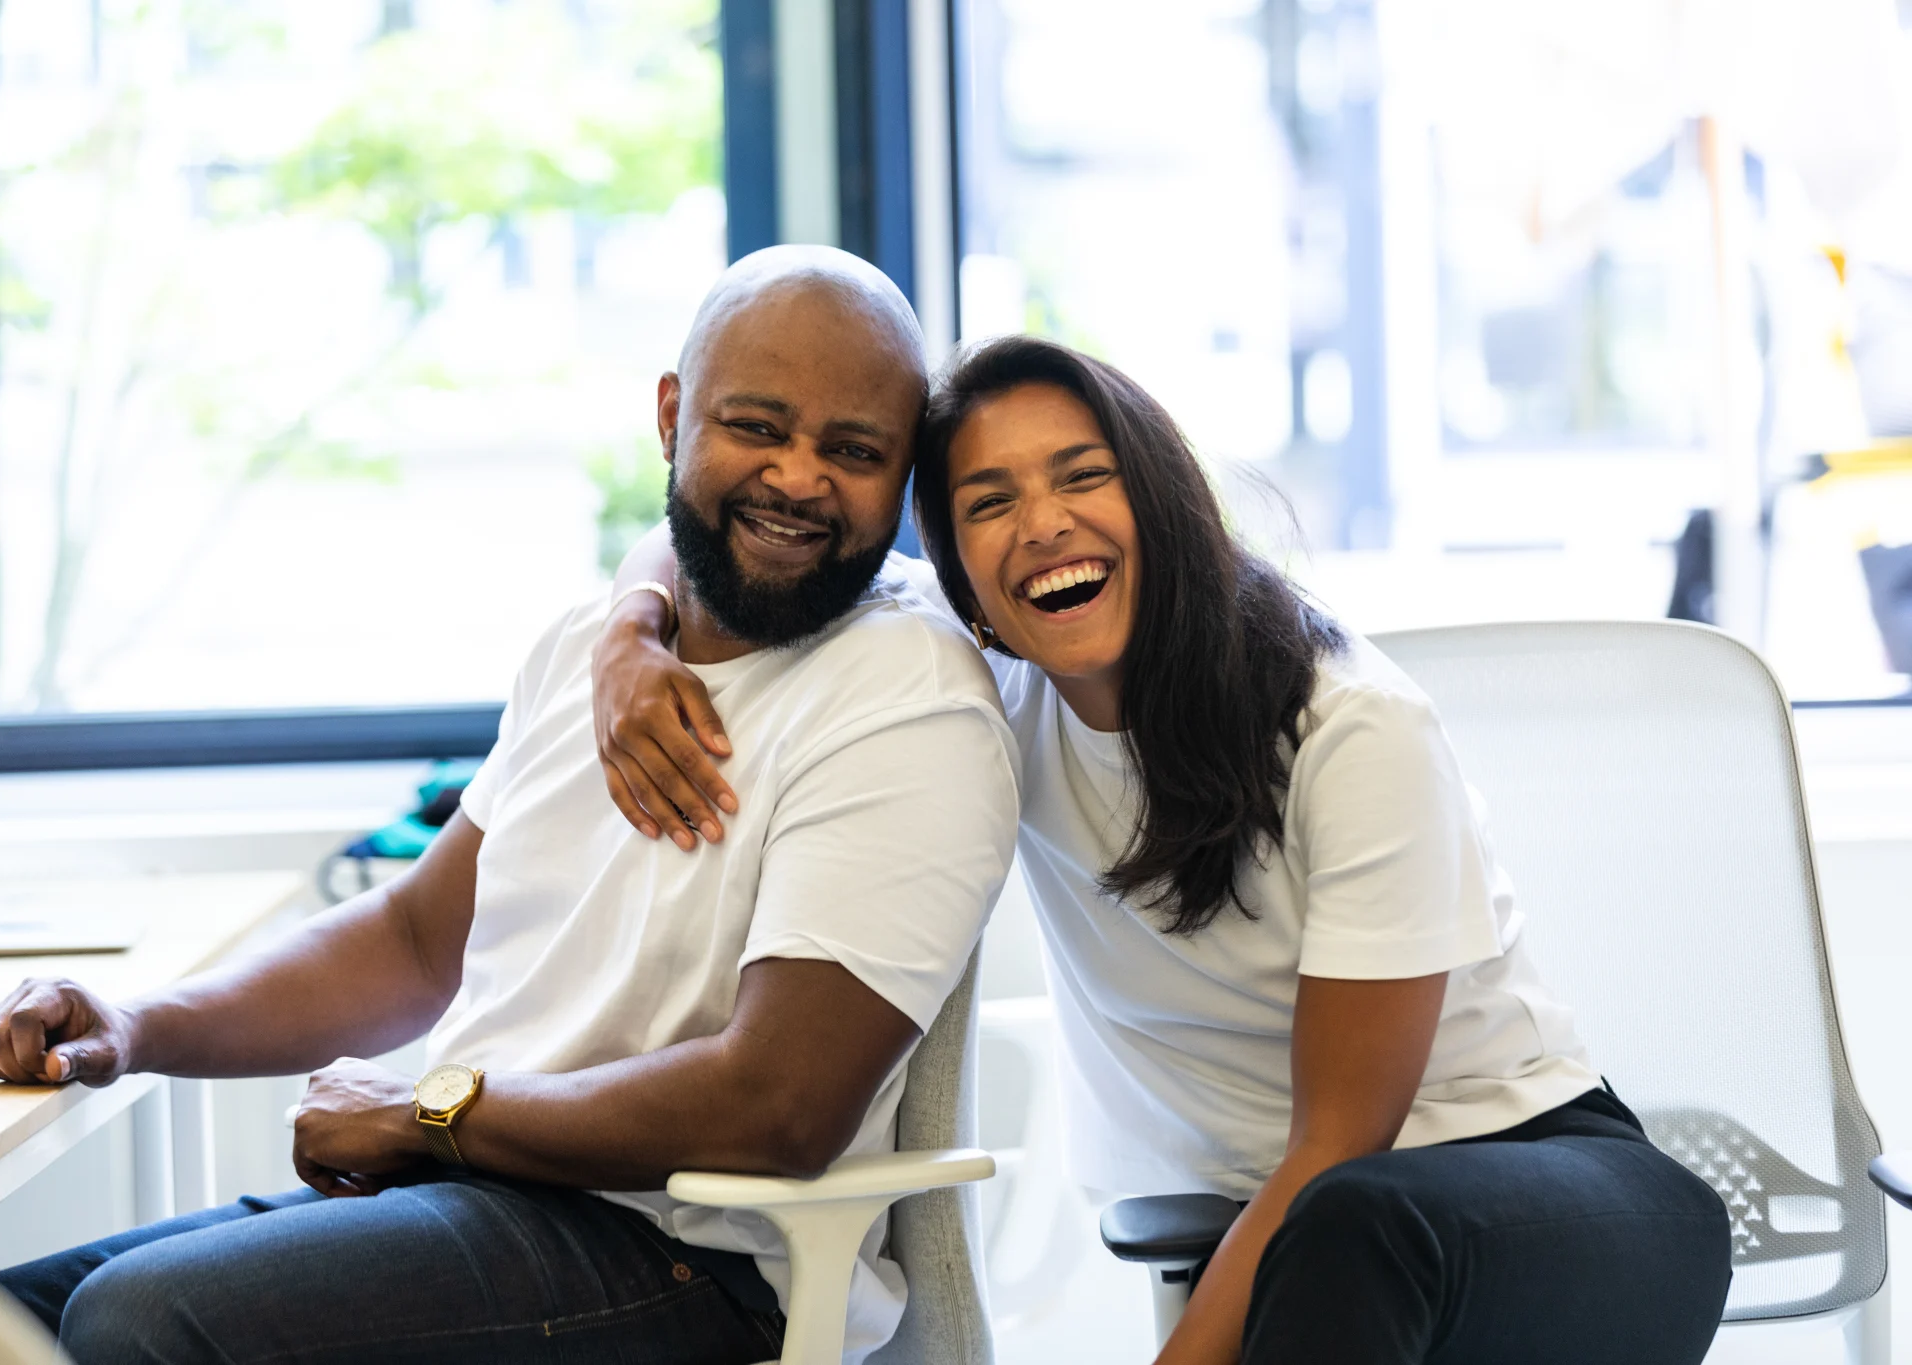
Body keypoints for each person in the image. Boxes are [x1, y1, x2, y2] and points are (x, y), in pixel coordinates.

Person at [592, 334, 1734, 1365]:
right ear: (964, 579)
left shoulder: (1348, 727)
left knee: (1349, 1221)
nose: (1041, 524)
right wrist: (629, 630)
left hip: (1559, 1195)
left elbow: (1340, 1144)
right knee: (1332, 1237)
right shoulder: (981, 701)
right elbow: (750, 534)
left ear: (1165, 499)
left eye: (1084, 477)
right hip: (1307, 1241)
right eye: (987, 502)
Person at [0, 246, 1021, 1365]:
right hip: (476, 1200)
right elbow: (415, 938)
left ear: (902, 477)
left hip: (688, 1261)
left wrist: (432, 1111)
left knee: (137, 1323)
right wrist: (136, 1027)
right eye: (756, 427)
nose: (799, 478)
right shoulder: (594, 645)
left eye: (852, 450)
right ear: (671, 417)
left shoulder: (906, 696)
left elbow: (776, 1108)